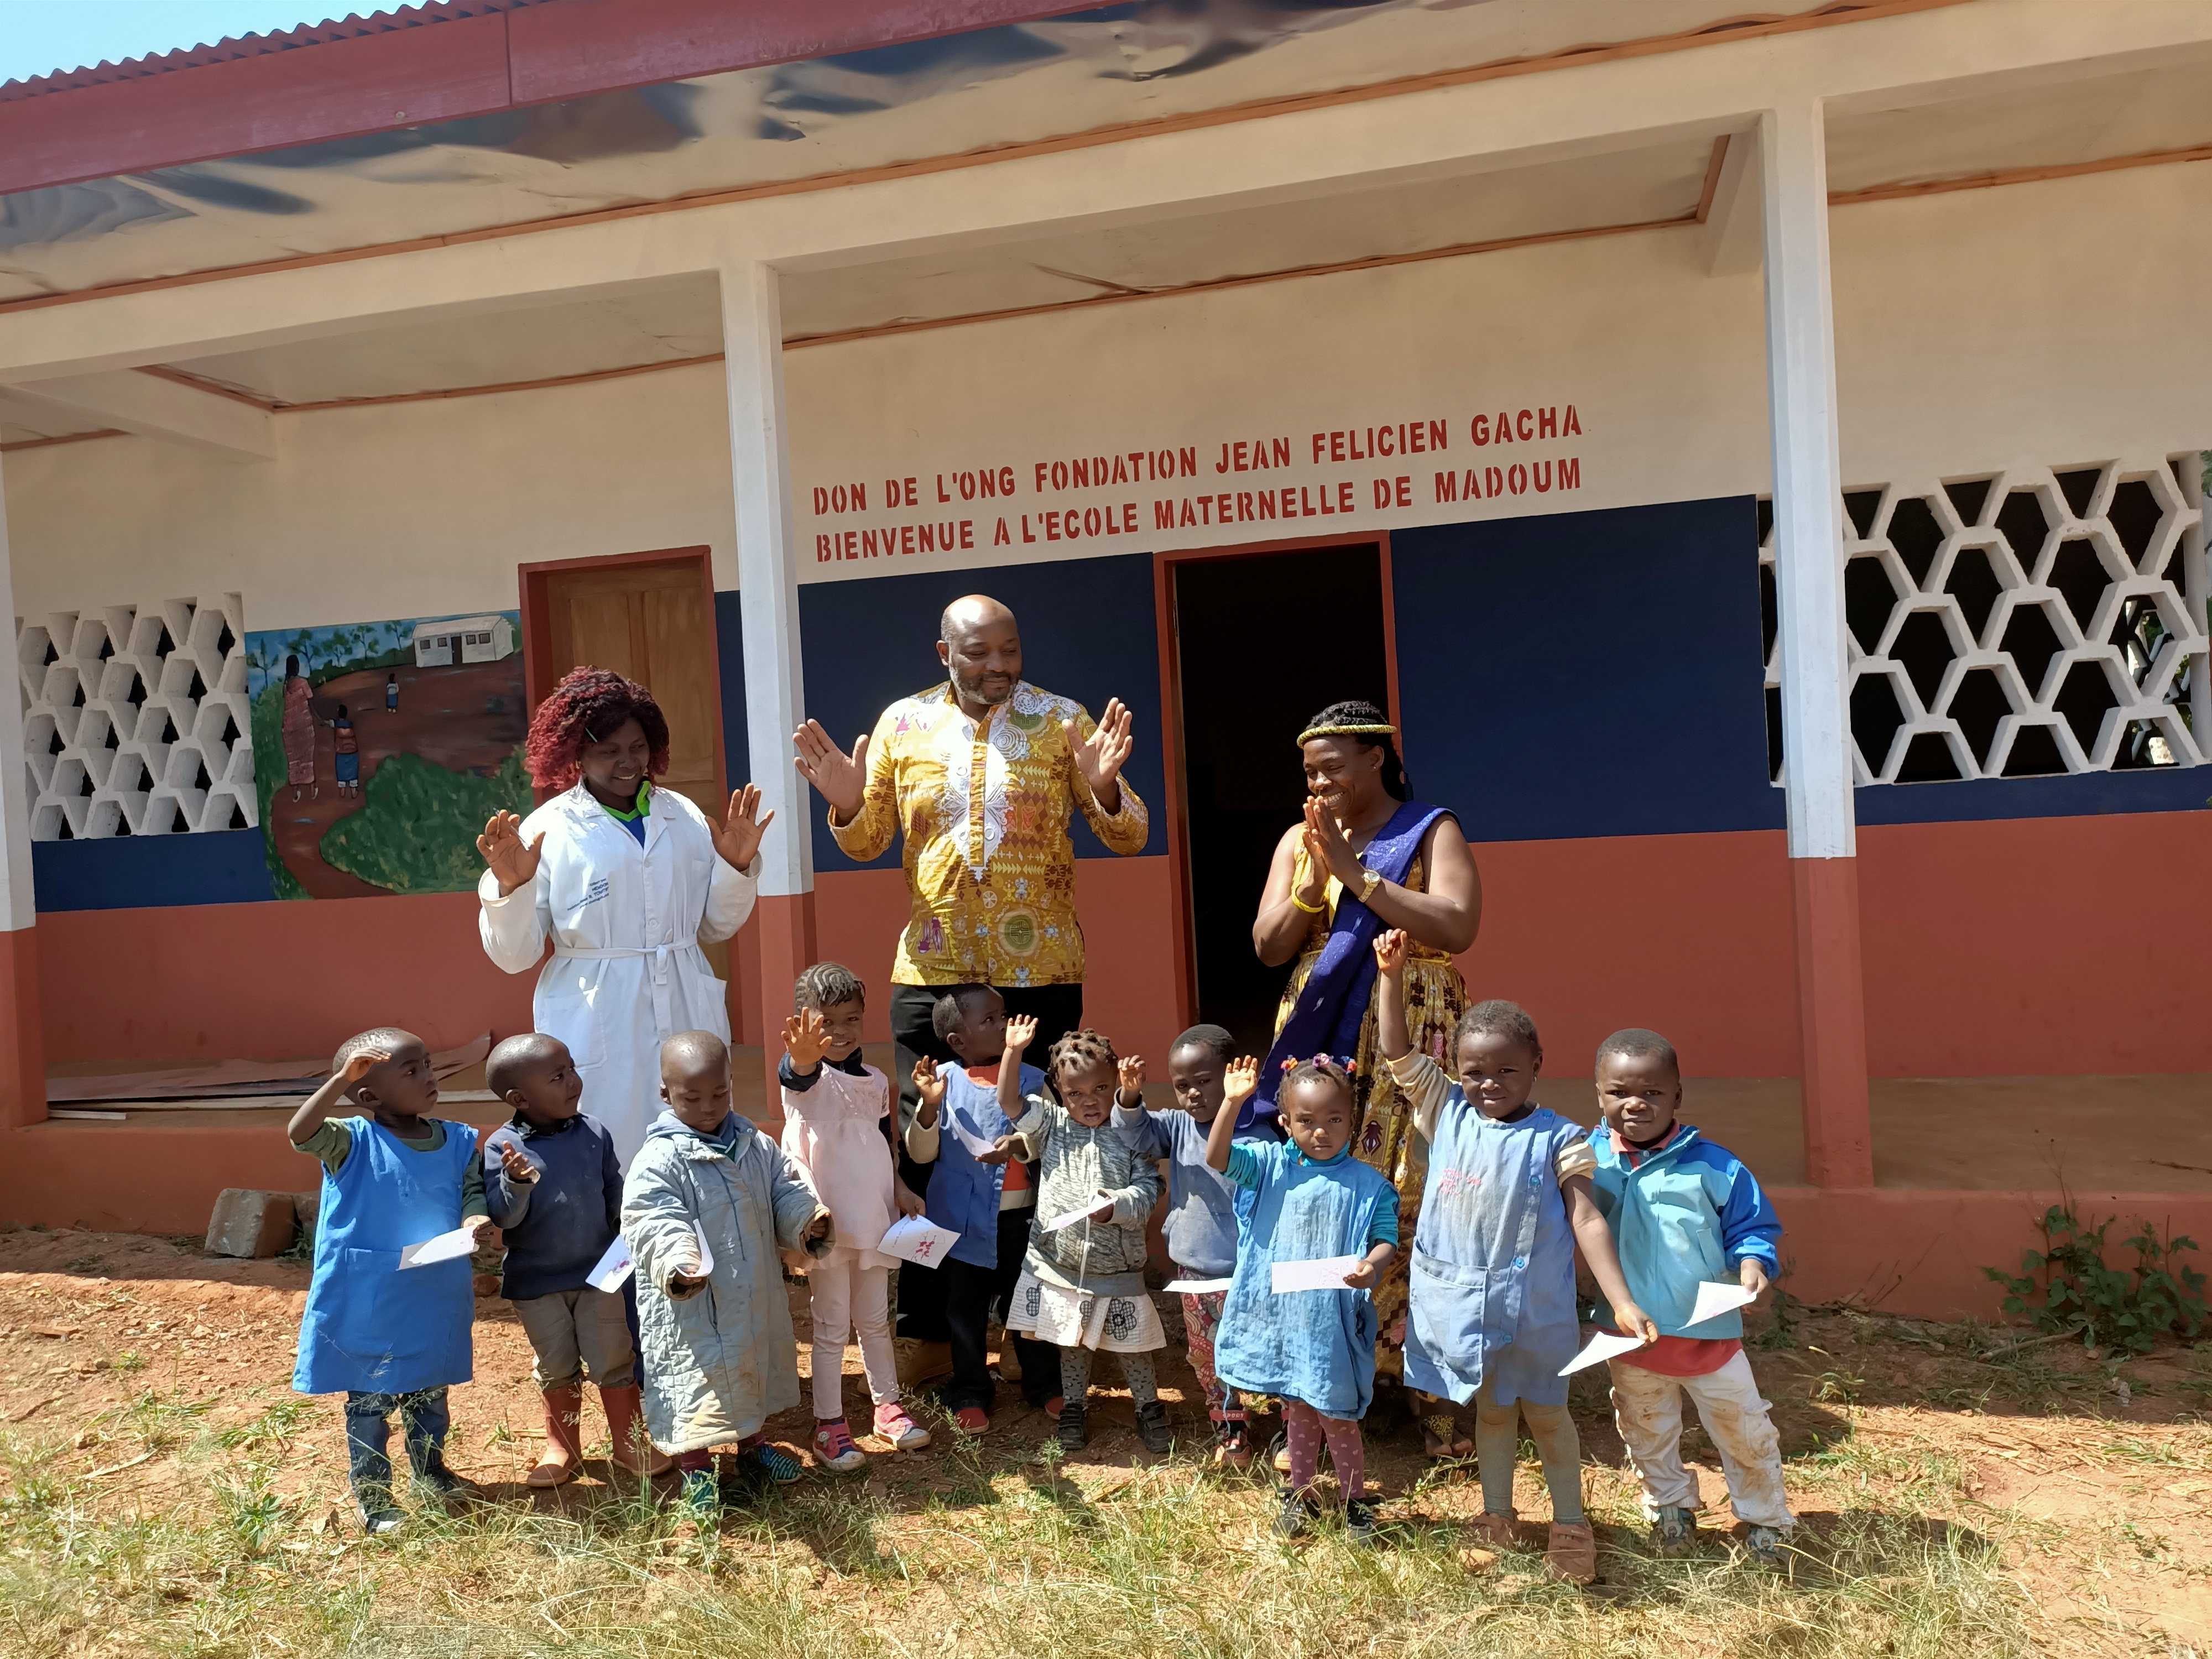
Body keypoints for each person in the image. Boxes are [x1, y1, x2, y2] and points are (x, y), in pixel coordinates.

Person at [792, 594, 1147, 1339]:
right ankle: (928, 1329)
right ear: (943, 653)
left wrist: (1107, 787)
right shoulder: (903, 724)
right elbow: (865, 842)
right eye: (979, 653)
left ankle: (1034, 1329)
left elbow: (1128, 833)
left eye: (1009, 651)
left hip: (1039, 970)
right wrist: (851, 807)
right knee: (930, 1148)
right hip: (934, 971)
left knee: (1044, 1144)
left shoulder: (1061, 721)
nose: (998, 667)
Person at [1374, 931, 1656, 1584]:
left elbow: (1586, 1219)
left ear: (1535, 1065)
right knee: (1493, 1412)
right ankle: (1495, 1514)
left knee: (1549, 1417)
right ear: (1455, 1070)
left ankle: (1570, 1522)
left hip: (1535, 1314)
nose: (1488, 1083)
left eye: (1505, 1071)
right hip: (1465, 1309)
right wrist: (1390, 978)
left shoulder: (1563, 1140)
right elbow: (1396, 1052)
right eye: (1473, 1071)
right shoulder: (1444, 1110)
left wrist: (1620, 1300)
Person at [1250, 698, 1481, 1450]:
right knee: (1321, 1191)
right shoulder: (1301, 838)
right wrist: (1315, 881)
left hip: (1411, 1018)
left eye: (1335, 767)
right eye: (1311, 772)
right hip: (1323, 1026)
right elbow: (1268, 946)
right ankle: (1322, 1383)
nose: (1321, 783)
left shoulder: (1431, 829)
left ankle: (1422, 1381)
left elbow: (1457, 925)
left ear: (1377, 757)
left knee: (1416, 1185)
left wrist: (1361, 876)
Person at [477, 666, 773, 1165]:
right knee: (609, 1138)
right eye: (607, 750)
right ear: (576, 753)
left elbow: (715, 926)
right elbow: (514, 955)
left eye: (637, 747)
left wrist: (737, 866)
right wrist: (513, 887)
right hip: (596, 1008)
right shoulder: (549, 828)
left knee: (696, 1134)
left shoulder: (683, 816)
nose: (627, 762)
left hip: (681, 991)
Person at [1584, 1027, 1793, 1567]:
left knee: (1744, 1431)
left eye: (1652, 1092)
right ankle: (1670, 1506)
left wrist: (1752, 1268)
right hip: (1630, 1339)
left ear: (1677, 1096)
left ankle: (1764, 1519)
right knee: (1644, 1428)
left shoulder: (1715, 1166)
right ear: (1599, 1095)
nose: (1635, 1104)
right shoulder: (1586, 1162)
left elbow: (1751, 1229)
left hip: (1710, 1340)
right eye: (1619, 1092)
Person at [623, 1031, 832, 1525]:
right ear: (665, 1094)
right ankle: (697, 1470)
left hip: (752, 1287)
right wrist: (679, 1260)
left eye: (719, 1094)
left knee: (749, 1368)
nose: (708, 1107)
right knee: (697, 1383)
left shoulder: (753, 1143)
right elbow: (653, 1218)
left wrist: (805, 1218)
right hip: (695, 1300)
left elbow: (783, 1186)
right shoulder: (659, 1160)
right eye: (691, 1098)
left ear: (731, 1085)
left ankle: (754, 1449)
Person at [289, 1028, 489, 1535]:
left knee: (429, 1393)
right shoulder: (349, 1140)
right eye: (412, 1071)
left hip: (433, 1292)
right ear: (370, 1096)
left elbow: (471, 1192)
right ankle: (375, 1497)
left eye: (427, 1064)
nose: (429, 1077)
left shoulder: (459, 1140)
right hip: (369, 1298)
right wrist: (339, 1080)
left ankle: (431, 1472)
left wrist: (473, 1221)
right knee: (370, 1402)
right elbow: (299, 1133)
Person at [1204, 1053, 1398, 1545]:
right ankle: (1300, 1492)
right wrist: (1231, 1103)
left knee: (1337, 1413)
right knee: (1299, 1410)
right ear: (1286, 1123)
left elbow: (1385, 1237)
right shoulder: (1270, 1167)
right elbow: (1218, 1159)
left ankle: (1354, 1501)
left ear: (1352, 1121)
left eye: (1335, 1120)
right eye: (1307, 1122)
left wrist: (1371, 1266)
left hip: (1330, 1322)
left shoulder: (1369, 1185)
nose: (1322, 1132)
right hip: (1284, 1323)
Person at [479, 1032, 665, 1488]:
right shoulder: (501, 1149)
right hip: (537, 1282)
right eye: (557, 1076)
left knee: (614, 1358)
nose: (573, 1082)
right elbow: (504, 1216)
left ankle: (629, 1443)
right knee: (557, 1365)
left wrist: (630, 1227)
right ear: (520, 1098)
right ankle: (562, 1447)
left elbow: (614, 1193)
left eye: (572, 1070)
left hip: (601, 1275)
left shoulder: (594, 1133)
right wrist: (516, 1182)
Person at [777, 962, 932, 1470]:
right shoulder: (805, 1079)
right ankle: (829, 1426)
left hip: (874, 1218)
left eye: (850, 1021)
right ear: (804, 1022)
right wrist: (803, 1058)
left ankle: (887, 1408)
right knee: (829, 1324)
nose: (839, 1033)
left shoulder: (874, 1080)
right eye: (826, 1022)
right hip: (826, 1223)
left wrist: (902, 1188)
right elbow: (796, 1075)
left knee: (874, 1320)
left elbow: (882, 1144)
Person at [998, 1021, 1171, 1455]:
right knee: (1071, 1343)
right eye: (1075, 1093)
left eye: (1100, 1089)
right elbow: (1009, 1101)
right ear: (1060, 1094)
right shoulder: (1053, 1125)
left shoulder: (1134, 1131)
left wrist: (1116, 1206)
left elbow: (1150, 1189)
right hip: (1063, 1267)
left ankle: (1149, 1408)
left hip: (1118, 1269)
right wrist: (1012, 1052)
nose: (1089, 1101)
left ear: (1116, 1084)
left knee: (1133, 1348)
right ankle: (1074, 1407)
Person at [904, 984, 1060, 1432]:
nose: (1004, 1026)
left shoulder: (1032, 1080)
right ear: (957, 1041)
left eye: (1003, 1015)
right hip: (961, 1224)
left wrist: (1021, 1146)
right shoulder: (942, 1082)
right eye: (989, 1020)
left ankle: (1045, 1385)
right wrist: (930, 1108)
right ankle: (970, 1389)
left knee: (1028, 1304)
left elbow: (1053, 1140)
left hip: (1020, 1219)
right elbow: (920, 1154)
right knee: (964, 1311)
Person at [1109, 1024, 1256, 1465]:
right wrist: (1131, 1096)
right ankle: (1231, 1428)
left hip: (1251, 1271)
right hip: (1196, 1273)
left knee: (1265, 1347)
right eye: (1182, 1086)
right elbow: (1136, 1135)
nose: (1193, 1094)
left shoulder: (1260, 1132)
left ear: (1232, 1074)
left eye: (1204, 1081)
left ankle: (1291, 1429)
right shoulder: (1176, 1126)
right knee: (1208, 1356)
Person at [280, 654, 316, 803]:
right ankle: (312, 788)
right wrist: (319, 719)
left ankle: (296, 791)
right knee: (307, 758)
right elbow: (311, 702)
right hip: (304, 726)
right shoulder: (303, 683)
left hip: (289, 729)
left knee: (294, 760)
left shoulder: (285, 686)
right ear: (297, 667)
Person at [330, 705, 359, 797]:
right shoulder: (350, 724)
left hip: (341, 753)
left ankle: (342, 790)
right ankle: (353, 791)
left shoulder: (336, 724)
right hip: (352, 752)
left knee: (341, 770)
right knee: (353, 771)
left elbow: (328, 723)